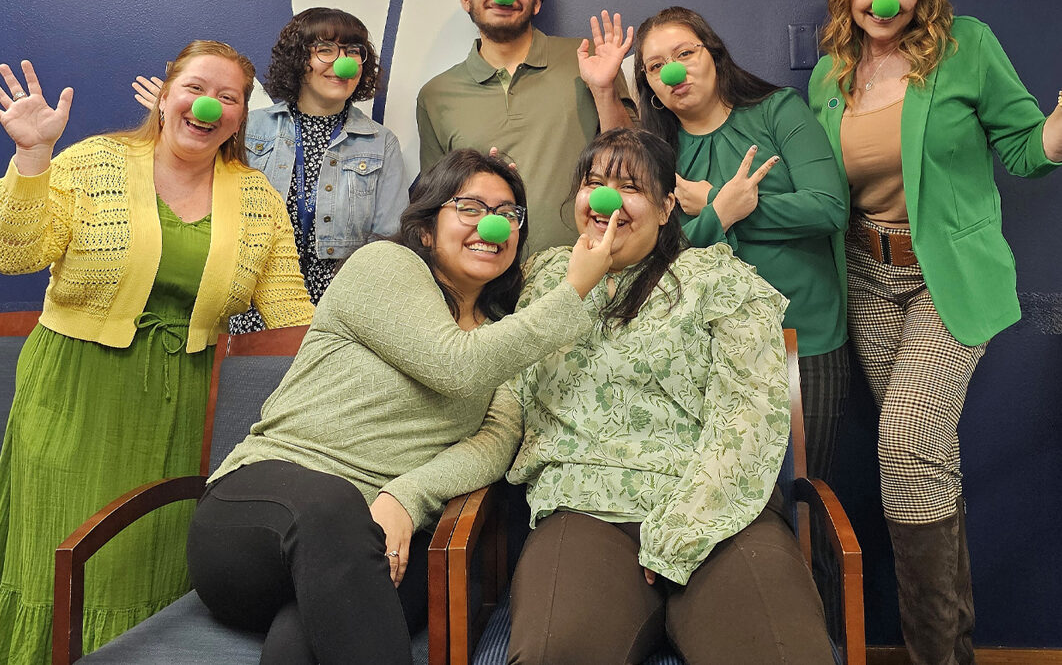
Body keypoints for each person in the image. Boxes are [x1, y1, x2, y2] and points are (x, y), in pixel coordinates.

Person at [184, 149, 619, 665]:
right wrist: (574, 290)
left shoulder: (506, 331)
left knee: (303, 640)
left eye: (509, 214)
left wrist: (406, 497)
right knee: (330, 507)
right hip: (259, 519)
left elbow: (495, 442)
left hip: (378, 541)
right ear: (428, 228)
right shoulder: (383, 266)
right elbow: (454, 364)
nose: (494, 225)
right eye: (471, 207)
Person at [0, 41, 314, 660]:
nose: (209, 105)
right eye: (196, 88)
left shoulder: (256, 198)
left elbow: (291, 318)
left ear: (241, 117)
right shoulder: (94, 163)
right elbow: (16, 253)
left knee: (152, 557)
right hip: (73, 393)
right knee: (58, 550)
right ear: (165, 96)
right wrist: (33, 155)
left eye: (230, 97)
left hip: (186, 404)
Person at [808, 0, 1062, 662]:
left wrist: (1054, 134)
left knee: (909, 443)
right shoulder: (831, 74)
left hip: (944, 278)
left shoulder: (966, 48)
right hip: (863, 276)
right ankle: (953, 652)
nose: (884, 1)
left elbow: (1022, 146)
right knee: (923, 462)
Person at [504, 128, 834, 664]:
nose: (607, 198)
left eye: (629, 186)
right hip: (584, 505)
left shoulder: (716, 278)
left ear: (665, 208)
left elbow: (748, 416)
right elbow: (499, 382)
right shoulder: (544, 278)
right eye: (594, 183)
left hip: (719, 513)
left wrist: (682, 529)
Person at [633, 6, 850, 484]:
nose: (673, 71)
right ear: (649, 85)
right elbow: (654, 256)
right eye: (655, 66)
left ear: (714, 55)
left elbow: (829, 208)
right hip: (706, 353)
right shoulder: (656, 152)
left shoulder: (778, 111)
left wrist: (717, 205)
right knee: (722, 502)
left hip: (803, 340)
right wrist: (720, 216)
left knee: (802, 501)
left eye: (685, 53)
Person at [133, 7, 409, 332]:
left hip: (342, 312)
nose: (343, 63)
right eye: (326, 50)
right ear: (298, 57)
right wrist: (175, 122)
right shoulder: (248, 127)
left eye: (353, 52)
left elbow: (389, 244)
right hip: (250, 303)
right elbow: (194, 198)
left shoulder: (381, 143)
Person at [416, 0, 637, 252]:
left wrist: (603, 89)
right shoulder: (436, 95)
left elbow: (633, 163)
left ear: (536, 2)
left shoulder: (587, 60)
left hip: (583, 271)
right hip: (486, 280)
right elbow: (436, 205)